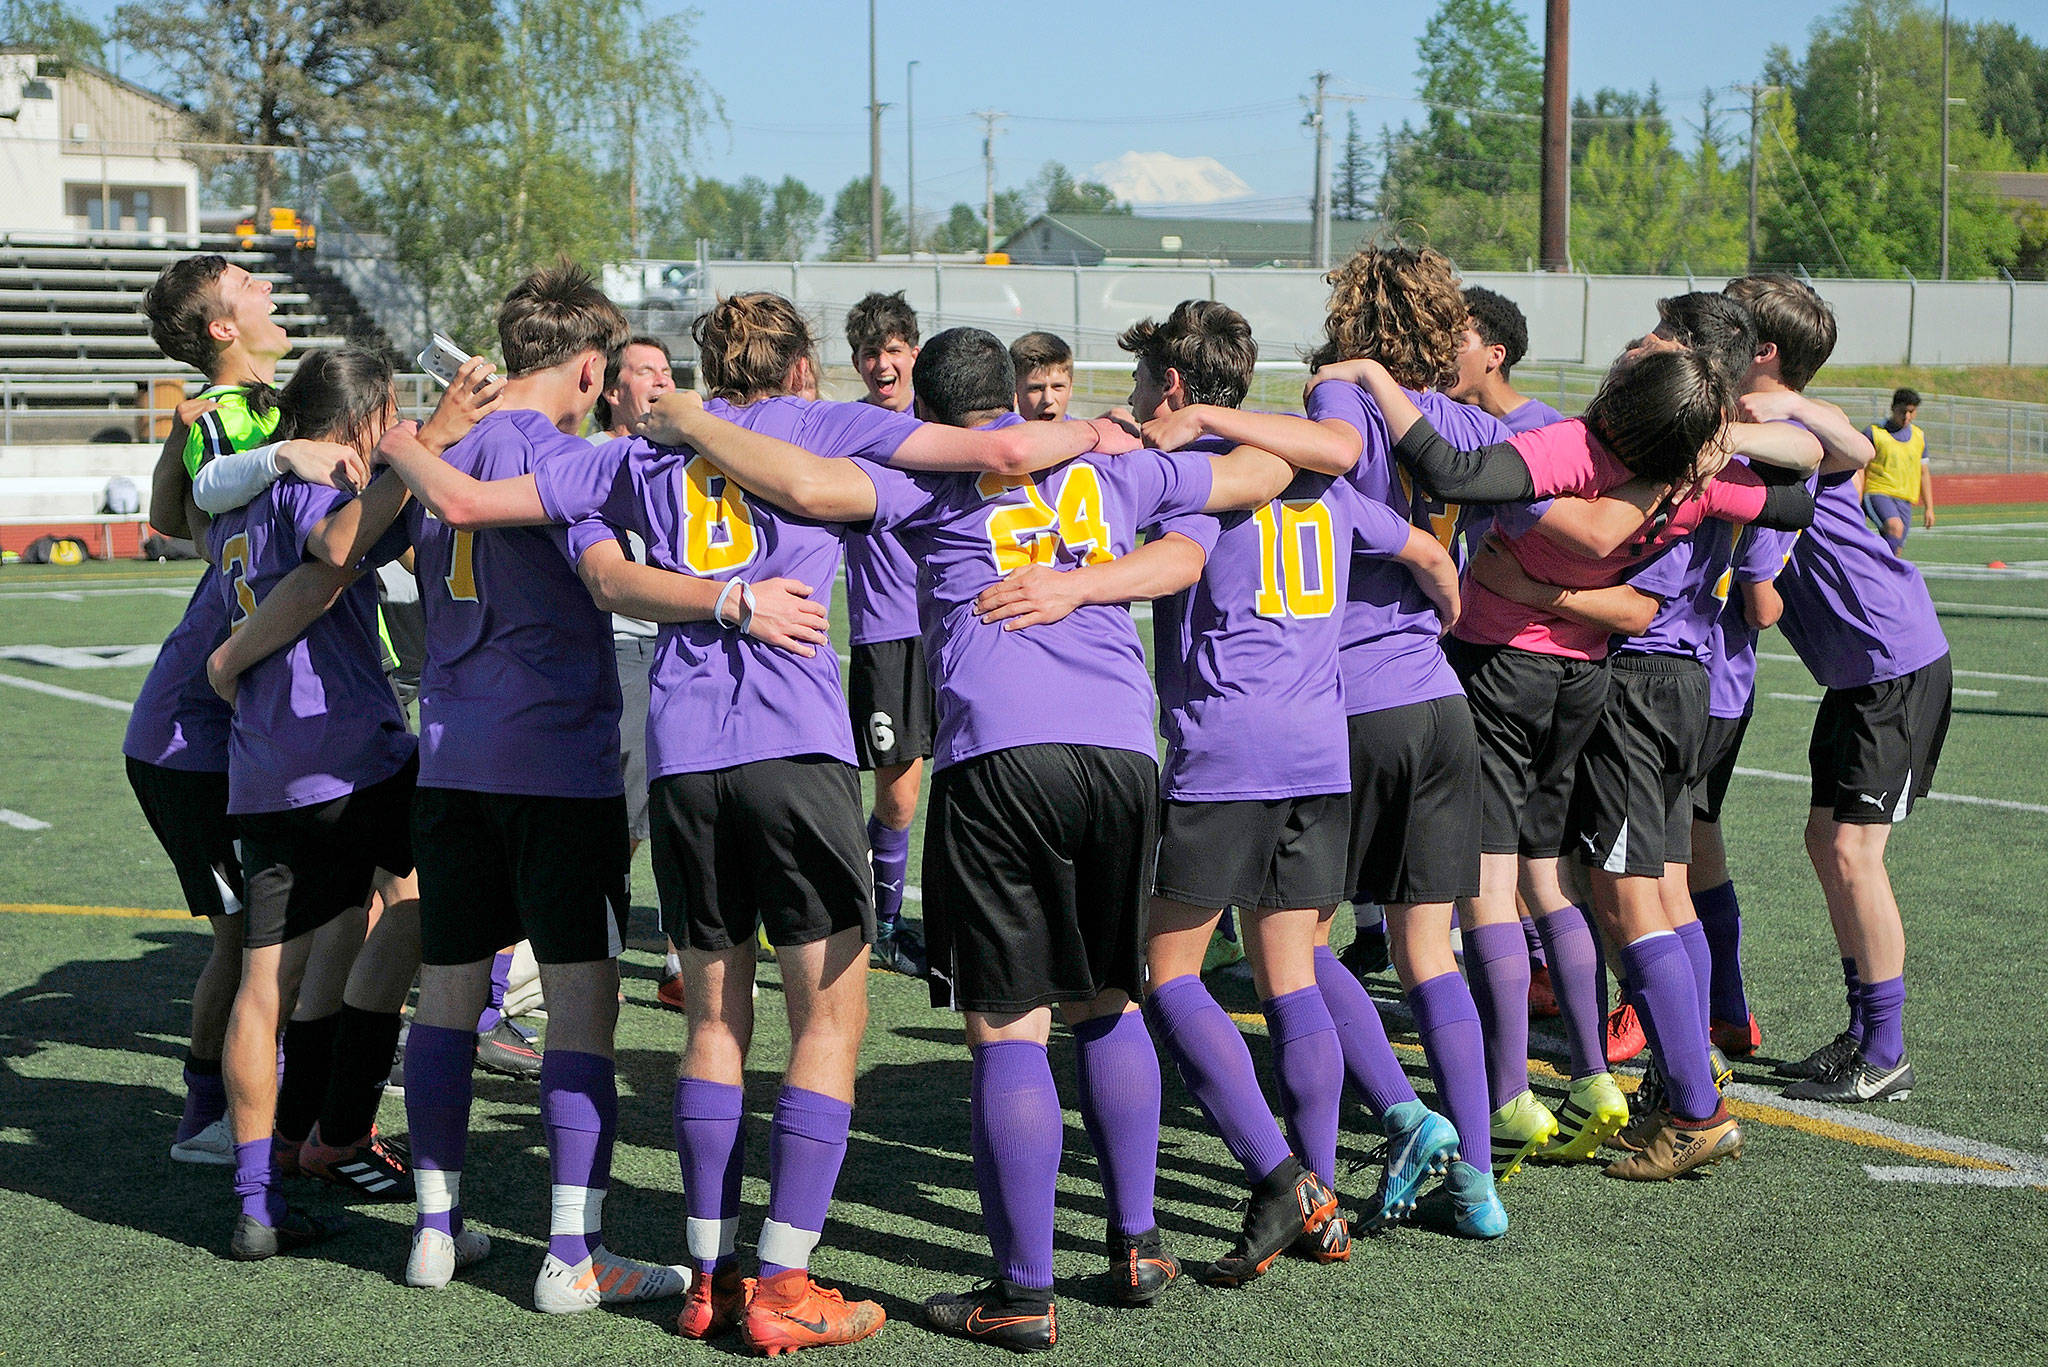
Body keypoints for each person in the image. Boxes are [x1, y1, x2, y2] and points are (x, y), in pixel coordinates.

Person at [637, 322, 1337, 1350]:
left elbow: (804, 486)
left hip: (999, 756)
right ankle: (1137, 1237)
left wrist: (691, 417)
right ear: (1013, 390)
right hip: (1120, 754)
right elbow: (1225, 510)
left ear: (924, 407)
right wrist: (1096, 566)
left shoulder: (923, 483)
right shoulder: (1106, 466)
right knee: (1107, 996)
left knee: (1008, 1027)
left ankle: (1021, 1288)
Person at [1018, 298, 1461, 1270]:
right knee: (1288, 972)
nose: (1134, 399)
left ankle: (1281, 1174)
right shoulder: (1316, 474)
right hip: (1317, 748)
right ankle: (1317, 1194)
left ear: (1170, 388)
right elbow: (1413, 535)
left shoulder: (1200, 482)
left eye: (1141, 383)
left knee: (1163, 971)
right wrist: (1438, 635)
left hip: (1227, 748)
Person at [351, 264, 700, 1313]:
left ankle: (432, 1225)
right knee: (583, 1005)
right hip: (557, 764)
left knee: (450, 996)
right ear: (591, 366)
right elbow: (608, 577)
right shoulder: (567, 461)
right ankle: (571, 1251)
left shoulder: (445, 454)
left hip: (453, 758)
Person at [199, 347, 424, 1258]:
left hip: (260, 765)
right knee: (418, 901)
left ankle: (259, 1192)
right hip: (350, 749)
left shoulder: (238, 501)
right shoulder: (322, 485)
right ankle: (345, 1124)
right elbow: (339, 550)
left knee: (267, 981)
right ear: (365, 419)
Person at [1725, 279, 1945, 1105]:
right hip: (1862, 671)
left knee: (1854, 851)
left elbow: (1838, 446)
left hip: (1893, 659)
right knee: (1827, 841)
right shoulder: (1785, 420)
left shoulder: (1786, 423)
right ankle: (1862, 1027)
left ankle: (1885, 1046)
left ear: (1764, 351)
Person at [843, 291, 934, 976]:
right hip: (886, 636)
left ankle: (941, 920)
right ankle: (886, 921)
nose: (882, 363)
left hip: (956, 628)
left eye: (893, 349)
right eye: (871, 352)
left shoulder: (941, 427)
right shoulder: (843, 431)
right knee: (897, 796)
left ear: (915, 354)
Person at [592, 334, 684, 1009]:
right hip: (625, 648)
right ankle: (601, 954)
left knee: (683, 811)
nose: (659, 379)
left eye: (666, 369)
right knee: (619, 820)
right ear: (611, 387)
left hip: (683, 650)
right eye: (643, 369)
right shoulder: (596, 457)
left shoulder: (683, 454)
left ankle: (682, 959)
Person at [1450, 286, 1566, 436]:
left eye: (1458, 342)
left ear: (1495, 355)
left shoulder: (1548, 430)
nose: (1442, 352)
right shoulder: (1439, 422)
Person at [1863, 387, 1934, 551]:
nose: (1907, 416)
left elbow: (1924, 473)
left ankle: (1882, 572)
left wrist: (1929, 508)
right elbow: (1859, 468)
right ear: (1893, 408)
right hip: (1878, 492)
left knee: (1897, 549)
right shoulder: (1874, 433)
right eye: (1903, 411)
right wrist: (1856, 499)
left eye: (1911, 412)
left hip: (1904, 498)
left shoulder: (1919, 437)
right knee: (1895, 527)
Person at [1011, 330, 1074, 421]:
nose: (1048, 400)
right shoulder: (994, 433)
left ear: (1070, 388)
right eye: (1035, 388)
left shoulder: (1087, 434)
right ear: (1014, 391)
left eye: (1058, 387)